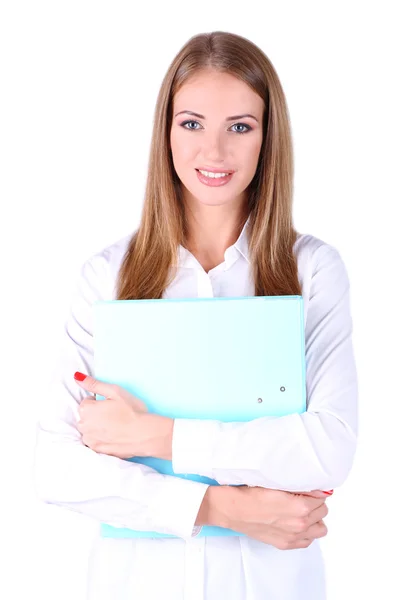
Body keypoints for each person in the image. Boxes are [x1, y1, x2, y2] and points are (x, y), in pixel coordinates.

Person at [33, 30, 358, 600]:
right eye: (191, 124)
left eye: (240, 126)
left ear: (267, 139)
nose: (214, 152)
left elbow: (327, 449)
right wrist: (219, 506)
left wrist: (154, 436)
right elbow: (58, 468)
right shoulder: (108, 277)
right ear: (165, 133)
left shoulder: (311, 271)